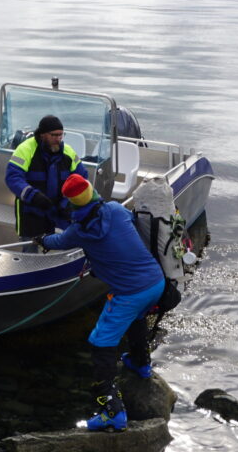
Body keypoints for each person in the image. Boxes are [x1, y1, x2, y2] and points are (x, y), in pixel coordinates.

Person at [35, 174, 163, 431]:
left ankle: (111, 411)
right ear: (92, 193)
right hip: (155, 282)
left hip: (129, 292)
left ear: (73, 203)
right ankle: (141, 364)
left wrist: (41, 240)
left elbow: (57, 242)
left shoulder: (78, 231)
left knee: (101, 343)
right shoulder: (116, 210)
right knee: (137, 317)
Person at [5, 115, 87, 239]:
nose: (58, 139)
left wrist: (67, 202)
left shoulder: (68, 152)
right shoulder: (25, 149)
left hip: (60, 210)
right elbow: (13, 177)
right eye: (54, 135)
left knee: (68, 244)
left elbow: (82, 178)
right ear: (43, 134)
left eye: (61, 135)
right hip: (32, 210)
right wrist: (33, 196)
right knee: (30, 248)